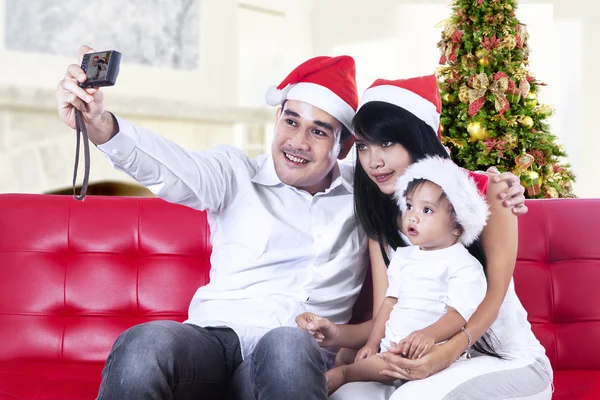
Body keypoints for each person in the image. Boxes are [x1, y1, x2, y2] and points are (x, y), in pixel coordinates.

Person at [56, 46, 527, 399]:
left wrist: (494, 181)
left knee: (287, 343)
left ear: (342, 147)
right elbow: (171, 167)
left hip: (293, 359)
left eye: (319, 131)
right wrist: (103, 127)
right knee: (145, 341)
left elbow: (427, 182)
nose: (297, 142)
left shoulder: (368, 195)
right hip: (212, 344)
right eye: (291, 121)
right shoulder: (234, 173)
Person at [297, 76, 552, 399]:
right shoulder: (386, 225)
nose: (373, 161)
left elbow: (492, 300)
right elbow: (387, 315)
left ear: (416, 139)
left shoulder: (490, 194)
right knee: (346, 396)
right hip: (424, 360)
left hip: (507, 361)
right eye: (363, 146)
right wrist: (336, 334)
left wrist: (445, 353)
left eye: (386, 143)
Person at [326, 155, 551, 399]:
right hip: (398, 350)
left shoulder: (463, 262)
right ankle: (346, 374)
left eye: (426, 210)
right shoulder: (403, 253)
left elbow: (462, 314)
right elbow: (389, 304)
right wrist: (365, 341)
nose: (412, 216)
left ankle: (350, 373)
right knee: (347, 394)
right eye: (409, 206)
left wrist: (429, 337)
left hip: (466, 355)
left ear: (458, 225)